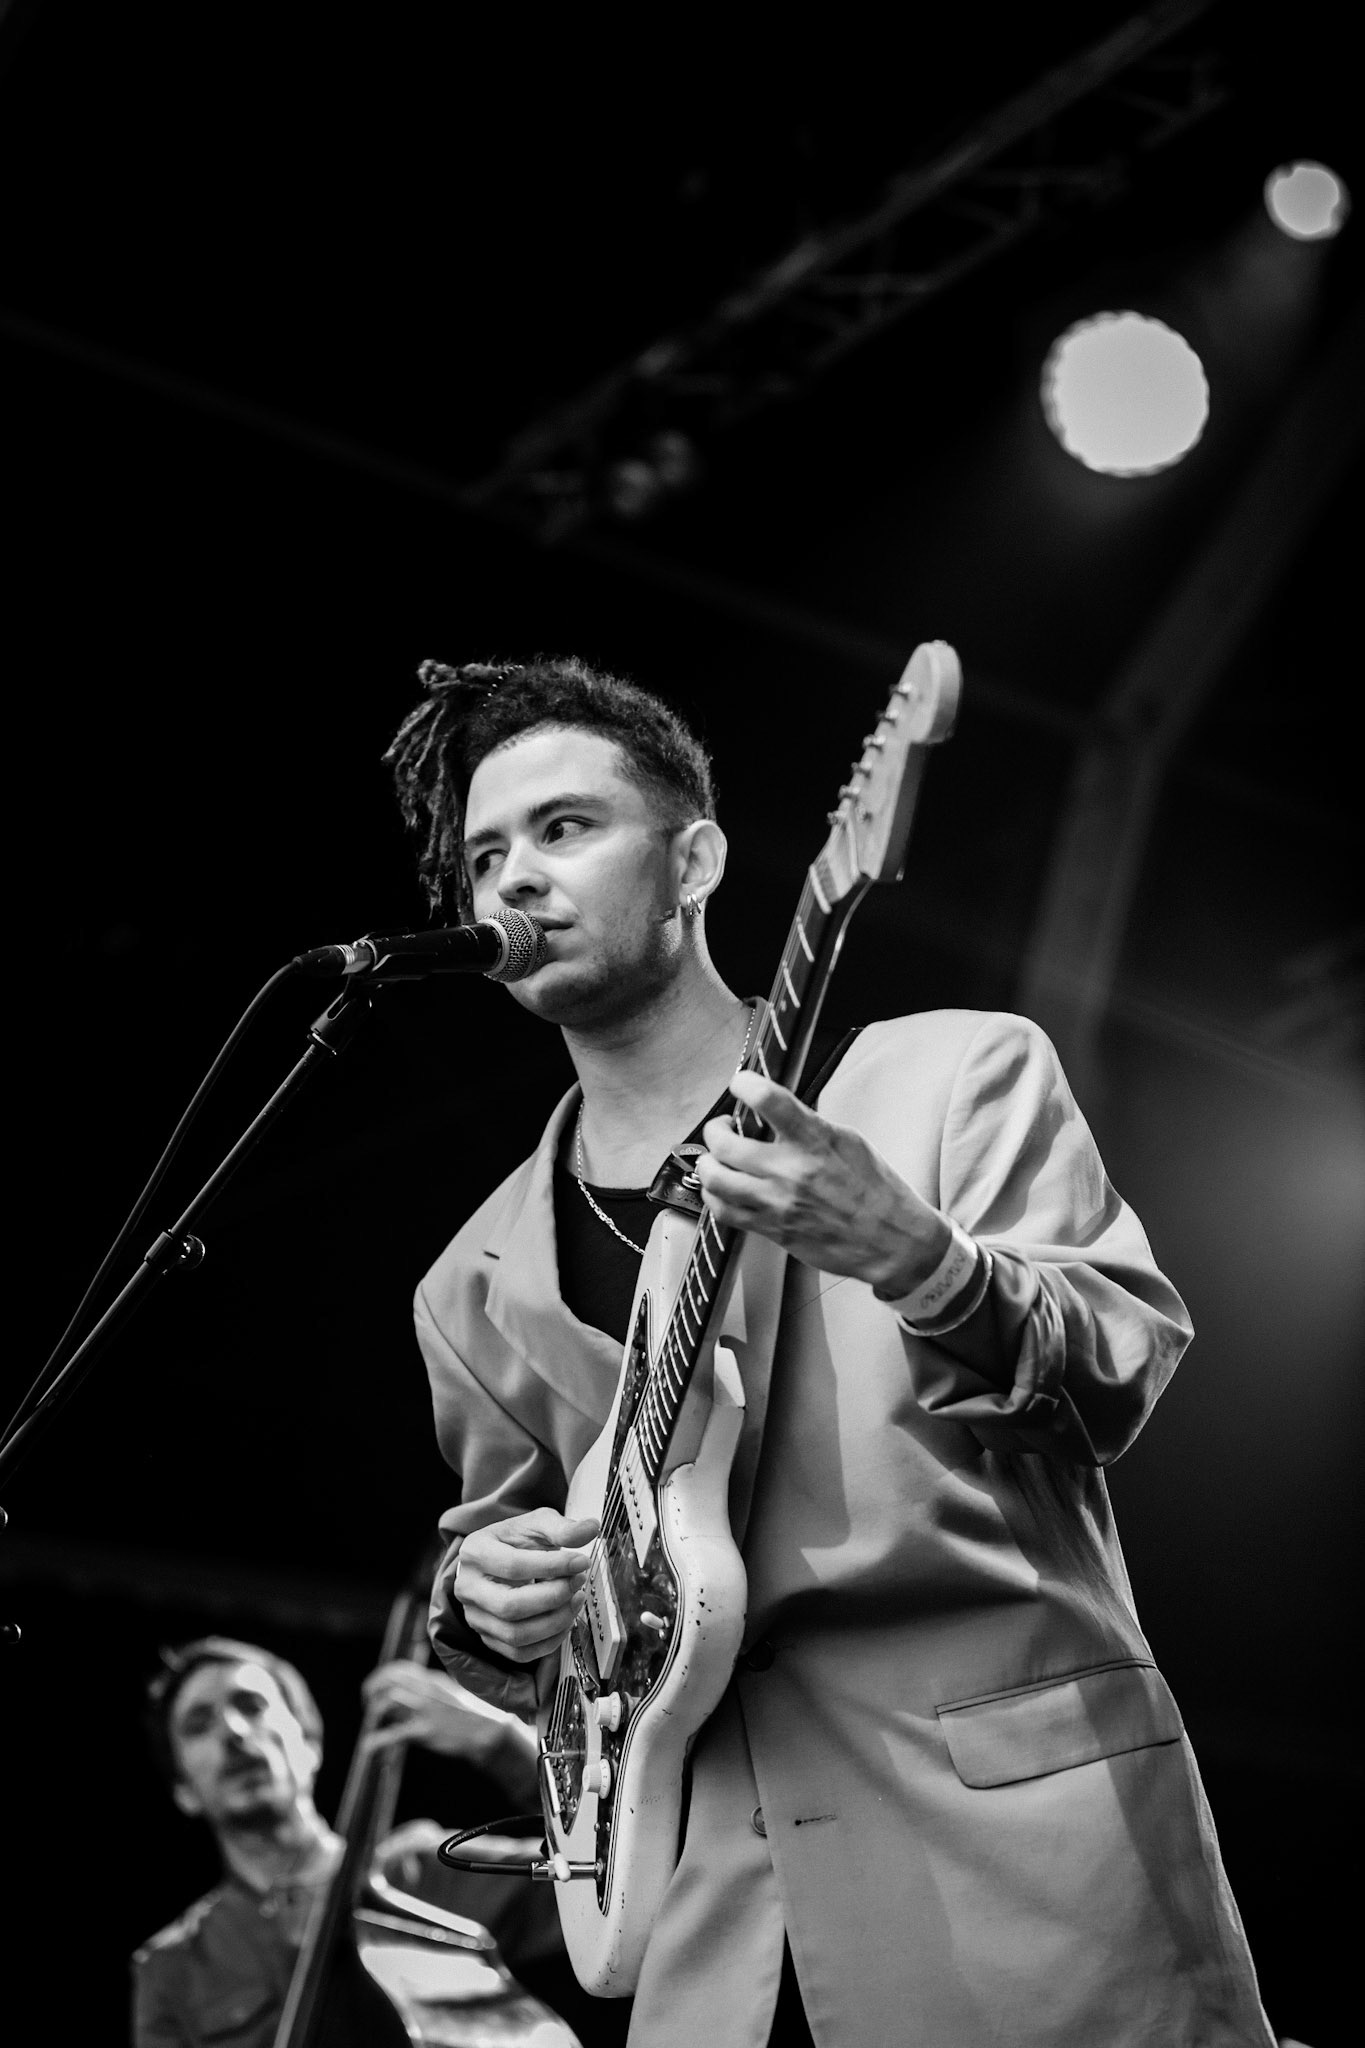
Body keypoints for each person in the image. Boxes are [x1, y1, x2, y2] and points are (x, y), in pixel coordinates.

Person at [384, 655, 1276, 2048]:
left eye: (565, 829)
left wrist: (921, 1259)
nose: (512, 881)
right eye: (483, 857)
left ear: (697, 861)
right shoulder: (469, 1282)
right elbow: (536, 1621)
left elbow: (1118, 1366)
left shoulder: (951, 1076)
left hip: (1017, 1871)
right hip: (705, 1936)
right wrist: (483, 1609)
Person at [131, 1636, 577, 2048]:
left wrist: (500, 1741)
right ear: (183, 1790)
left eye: (252, 1705)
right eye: (198, 1724)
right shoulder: (171, 1967)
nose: (233, 1731)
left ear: (309, 1742)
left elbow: (596, 1873)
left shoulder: (417, 1873)